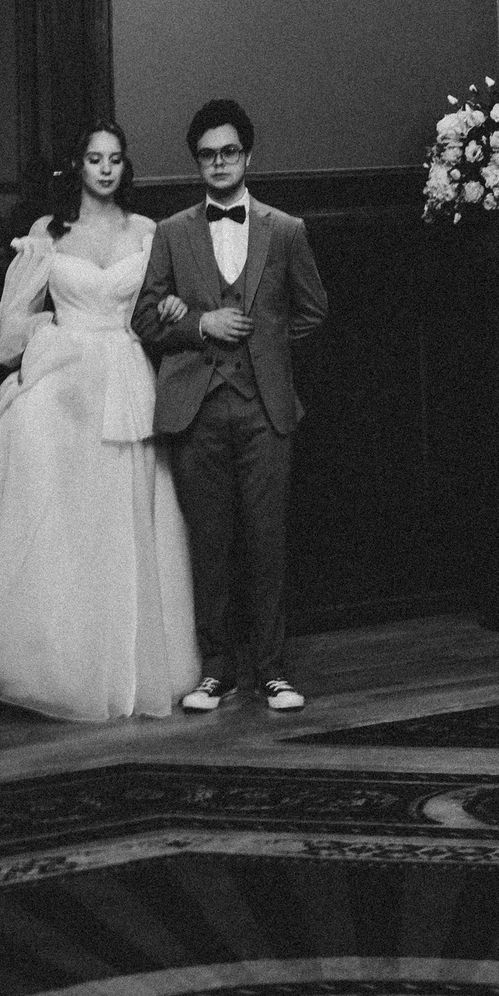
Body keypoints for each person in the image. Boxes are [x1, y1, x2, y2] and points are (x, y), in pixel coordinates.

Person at [0, 120, 201, 721]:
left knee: (123, 516)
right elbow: (9, 331)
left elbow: (163, 307)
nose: (104, 169)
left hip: (126, 377)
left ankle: (125, 667)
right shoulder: (47, 234)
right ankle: (53, 661)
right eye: (94, 158)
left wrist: (173, 306)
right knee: (62, 521)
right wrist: (55, 333)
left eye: (114, 159)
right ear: (78, 165)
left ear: (125, 167)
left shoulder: (148, 232)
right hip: (66, 381)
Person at [131, 97, 328, 714]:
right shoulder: (171, 232)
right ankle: (215, 672)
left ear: (248, 157)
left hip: (267, 411)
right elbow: (145, 320)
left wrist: (264, 347)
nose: (219, 163)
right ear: (197, 163)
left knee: (267, 544)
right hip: (196, 411)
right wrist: (199, 324)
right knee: (209, 545)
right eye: (208, 155)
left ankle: (272, 671)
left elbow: (313, 311)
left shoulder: (285, 229)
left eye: (230, 152)